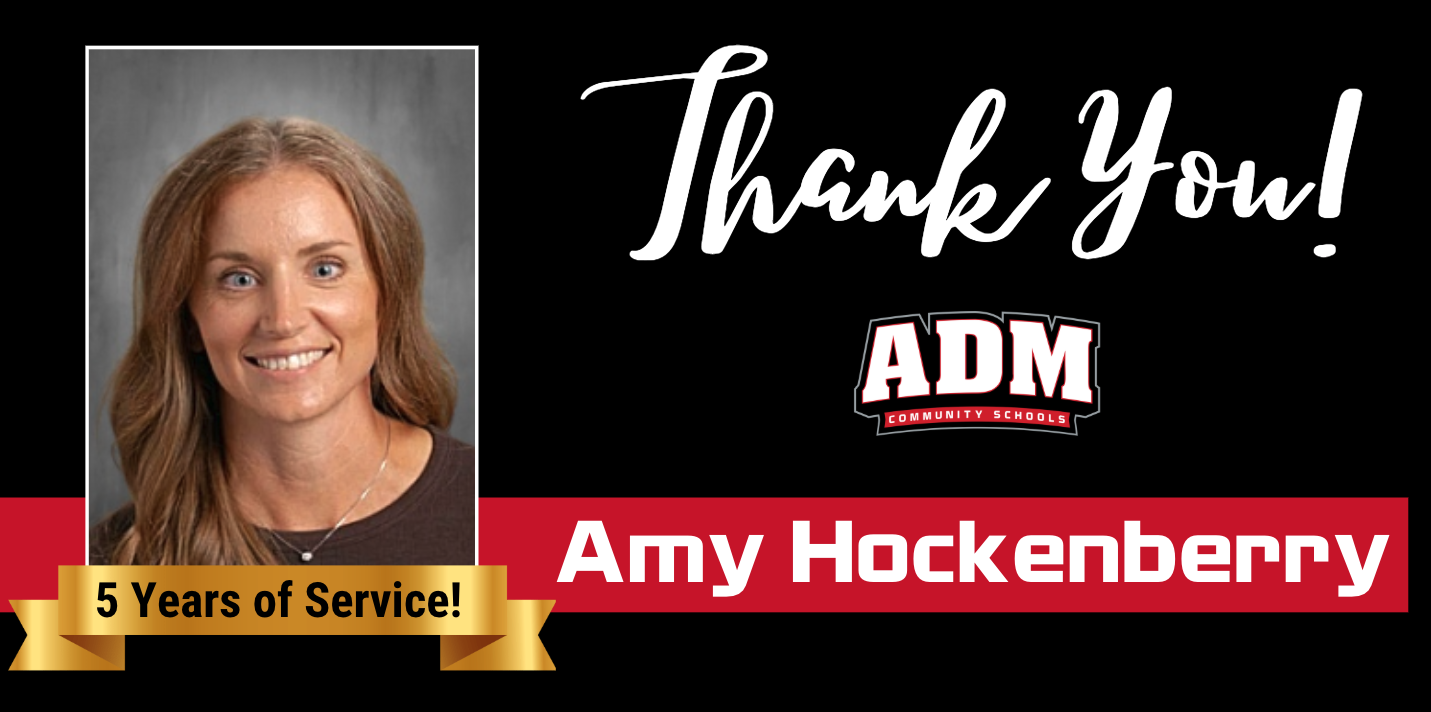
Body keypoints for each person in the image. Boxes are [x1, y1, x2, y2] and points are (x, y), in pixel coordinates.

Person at [92, 117, 473, 565]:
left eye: (325, 269)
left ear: (386, 294)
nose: (284, 320)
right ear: (188, 320)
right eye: (239, 279)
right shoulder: (102, 564)